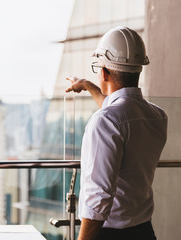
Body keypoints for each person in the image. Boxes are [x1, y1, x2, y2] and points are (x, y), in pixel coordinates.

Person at [65, 26, 168, 240]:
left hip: (108, 234)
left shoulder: (105, 121)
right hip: (144, 231)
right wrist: (88, 86)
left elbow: (98, 199)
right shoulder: (157, 115)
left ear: (104, 71)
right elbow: (121, 111)